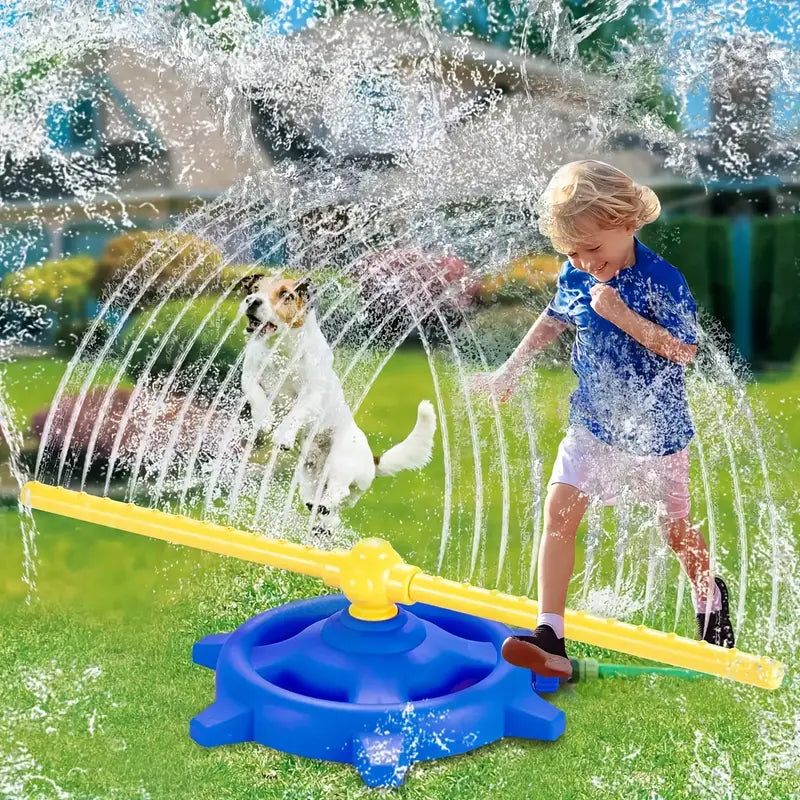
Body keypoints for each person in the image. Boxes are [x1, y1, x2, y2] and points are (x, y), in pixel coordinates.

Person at [471, 160, 735, 680]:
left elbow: (683, 351)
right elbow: (555, 318)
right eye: (571, 252)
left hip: (655, 434)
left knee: (675, 531)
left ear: (628, 222)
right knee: (559, 513)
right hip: (592, 421)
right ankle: (551, 633)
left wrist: (621, 316)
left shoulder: (663, 280)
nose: (583, 262)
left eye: (592, 248)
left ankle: (709, 592)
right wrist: (509, 371)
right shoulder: (577, 270)